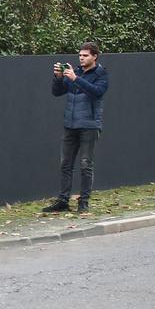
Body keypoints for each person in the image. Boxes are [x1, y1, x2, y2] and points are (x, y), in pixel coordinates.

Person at [42, 42, 110, 214]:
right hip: (70, 125)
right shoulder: (75, 72)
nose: (81, 58)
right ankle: (63, 201)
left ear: (95, 56)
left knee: (86, 165)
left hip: (89, 125)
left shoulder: (101, 74)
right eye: (80, 55)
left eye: (85, 55)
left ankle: (83, 202)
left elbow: (97, 92)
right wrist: (58, 77)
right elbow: (57, 92)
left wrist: (75, 79)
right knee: (65, 164)